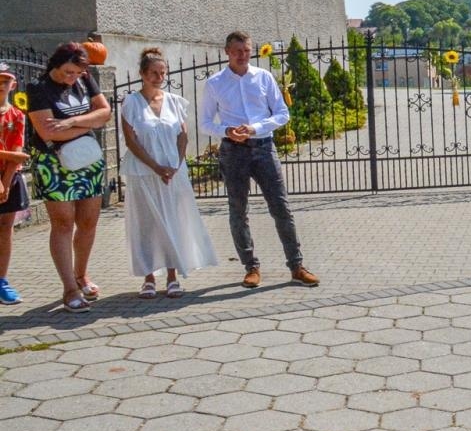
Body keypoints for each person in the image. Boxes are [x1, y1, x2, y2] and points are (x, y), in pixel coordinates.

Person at [199, 31, 318, 288]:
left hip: (263, 147)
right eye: (237, 51)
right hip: (233, 151)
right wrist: (226, 131)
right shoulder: (215, 83)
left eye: (247, 50)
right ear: (227, 52)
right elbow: (205, 123)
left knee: (281, 208)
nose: (243, 55)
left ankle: (296, 266)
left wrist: (255, 128)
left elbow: (282, 114)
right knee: (238, 211)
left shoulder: (263, 78)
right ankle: (251, 267)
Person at [121, 48, 218, 298]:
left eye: (162, 72)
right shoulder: (131, 102)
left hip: (173, 173)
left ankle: (173, 275)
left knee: (173, 221)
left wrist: (175, 165)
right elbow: (131, 140)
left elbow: (183, 135)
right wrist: (154, 166)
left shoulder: (174, 102)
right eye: (153, 72)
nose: (158, 77)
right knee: (147, 224)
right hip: (143, 173)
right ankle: (149, 277)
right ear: (142, 74)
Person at [25, 42, 112, 312]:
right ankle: (69, 289)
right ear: (55, 64)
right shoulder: (38, 90)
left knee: (88, 222)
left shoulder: (84, 81)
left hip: (87, 160)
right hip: (54, 164)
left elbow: (105, 113)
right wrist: (89, 122)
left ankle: (81, 275)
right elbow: (48, 132)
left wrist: (72, 122)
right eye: (67, 72)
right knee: (63, 224)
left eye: (76, 73)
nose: (71, 78)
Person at [0, 63, 30, 305]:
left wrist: (5, 183)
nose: (1, 85)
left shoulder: (17, 115)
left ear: (13, 85)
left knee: (5, 228)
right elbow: (15, 155)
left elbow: (17, 151)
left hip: (9, 178)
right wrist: (13, 157)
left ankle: (2, 280)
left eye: (5, 81)